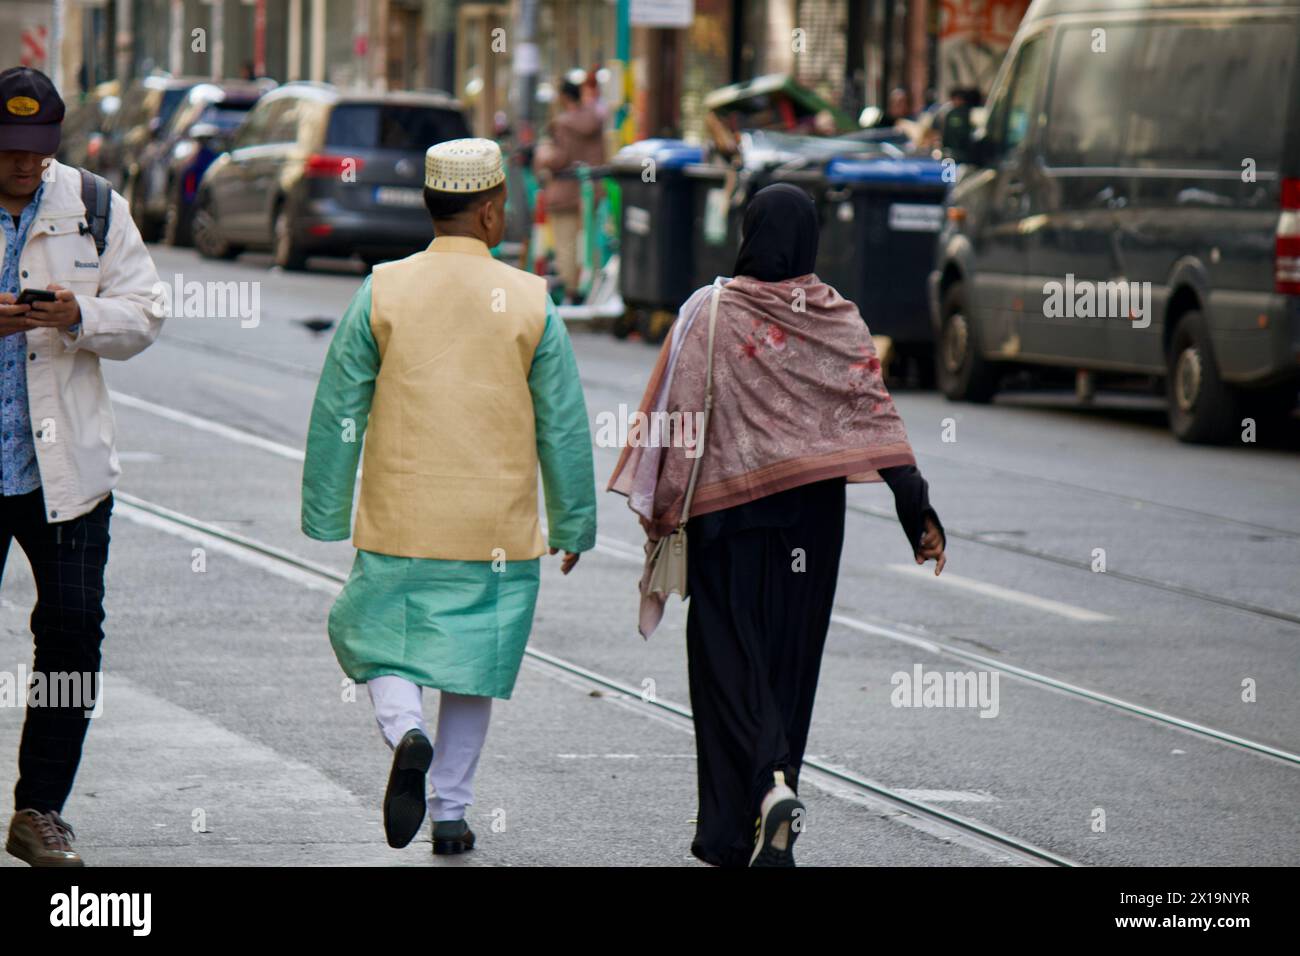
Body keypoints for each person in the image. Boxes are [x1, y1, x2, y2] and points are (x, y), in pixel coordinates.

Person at [608, 184, 946, 868]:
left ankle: (759, 799)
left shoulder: (712, 311)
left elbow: (678, 419)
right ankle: (763, 813)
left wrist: (664, 513)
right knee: (788, 668)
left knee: (728, 665)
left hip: (726, 522)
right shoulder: (837, 319)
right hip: (812, 529)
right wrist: (919, 515)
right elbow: (874, 414)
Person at [301, 138, 596, 855]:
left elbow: (340, 407)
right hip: (496, 529)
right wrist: (574, 522)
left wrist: (327, 511)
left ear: (432, 207)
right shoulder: (530, 299)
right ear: (493, 211)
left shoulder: (383, 289)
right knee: (475, 666)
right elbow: (563, 423)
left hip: (402, 519)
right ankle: (453, 815)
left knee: (376, 639)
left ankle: (406, 731)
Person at [0, 66, 165, 866]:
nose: (23, 165)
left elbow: (144, 313)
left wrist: (79, 314)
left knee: (71, 640)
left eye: (36, 150)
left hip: (65, 470)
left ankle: (40, 811)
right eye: (8, 150)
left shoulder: (93, 204)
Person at [533, 79, 606, 304]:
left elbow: (560, 158)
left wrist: (542, 155)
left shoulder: (562, 124)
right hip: (590, 190)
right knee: (590, 240)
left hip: (564, 192)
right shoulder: (595, 121)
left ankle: (572, 290)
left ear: (565, 97)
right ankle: (592, 287)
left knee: (566, 244)